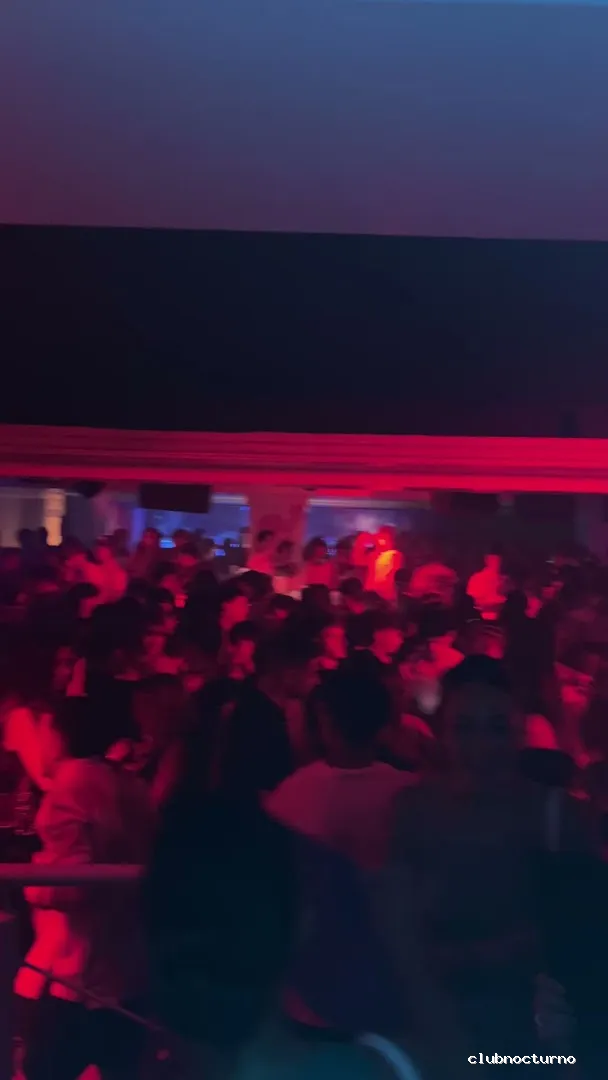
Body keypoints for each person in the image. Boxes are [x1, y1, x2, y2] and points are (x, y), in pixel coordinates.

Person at [14, 696, 155, 1080]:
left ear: (62, 735)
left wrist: (30, 883)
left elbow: (74, 883)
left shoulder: (73, 784)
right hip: (128, 966)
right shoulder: (128, 783)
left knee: (41, 1069)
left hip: (77, 974)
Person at [466, 550, 507, 622]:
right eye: (493, 560)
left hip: (501, 619)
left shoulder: (505, 580)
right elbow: (472, 600)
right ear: (486, 560)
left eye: (499, 560)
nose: (497, 563)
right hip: (481, 618)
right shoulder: (477, 578)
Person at [86, 538, 128, 606]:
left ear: (111, 550)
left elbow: (117, 597)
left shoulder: (119, 574)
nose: (98, 550)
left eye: (102, 547)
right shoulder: (91, 568)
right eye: (97, 547)